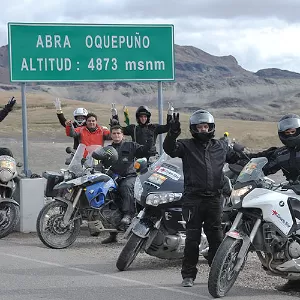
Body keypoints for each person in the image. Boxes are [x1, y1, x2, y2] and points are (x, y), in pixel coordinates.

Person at [163, 109, 241, 287]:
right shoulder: (186, 145)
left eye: (206, 126)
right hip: (193, 199)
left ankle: (218, 273)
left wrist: (242, 153)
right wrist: (172, 133)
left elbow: (237, 158)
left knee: (216, 238)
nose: (203, 130)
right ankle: (188, 276)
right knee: (192, 239)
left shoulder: (220, 146)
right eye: (199, 127)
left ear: (211, 127)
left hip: (214, 199)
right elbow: (169, 149)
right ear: (193, 129)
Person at [248, 113, 300, 293]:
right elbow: (265, 166)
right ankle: (294, 279)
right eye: (287, 132)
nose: (290, 134)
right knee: (286, 229)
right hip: (293, 191)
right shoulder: (281, 153)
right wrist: (246, 166)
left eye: (293, 131)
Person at [96, 124, 152, 244]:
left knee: (126, 187)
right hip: (113, 178)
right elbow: (101, 163)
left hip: (129, 177)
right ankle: (112, 234)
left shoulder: (131, 145)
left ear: (123, 135)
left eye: (118, 133)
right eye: (114, 133)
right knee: (107, 197)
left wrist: (149, 139)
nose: (116, 135)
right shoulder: (108, 149)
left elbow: (144, 150)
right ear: (111, 135)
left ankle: (128, 214)